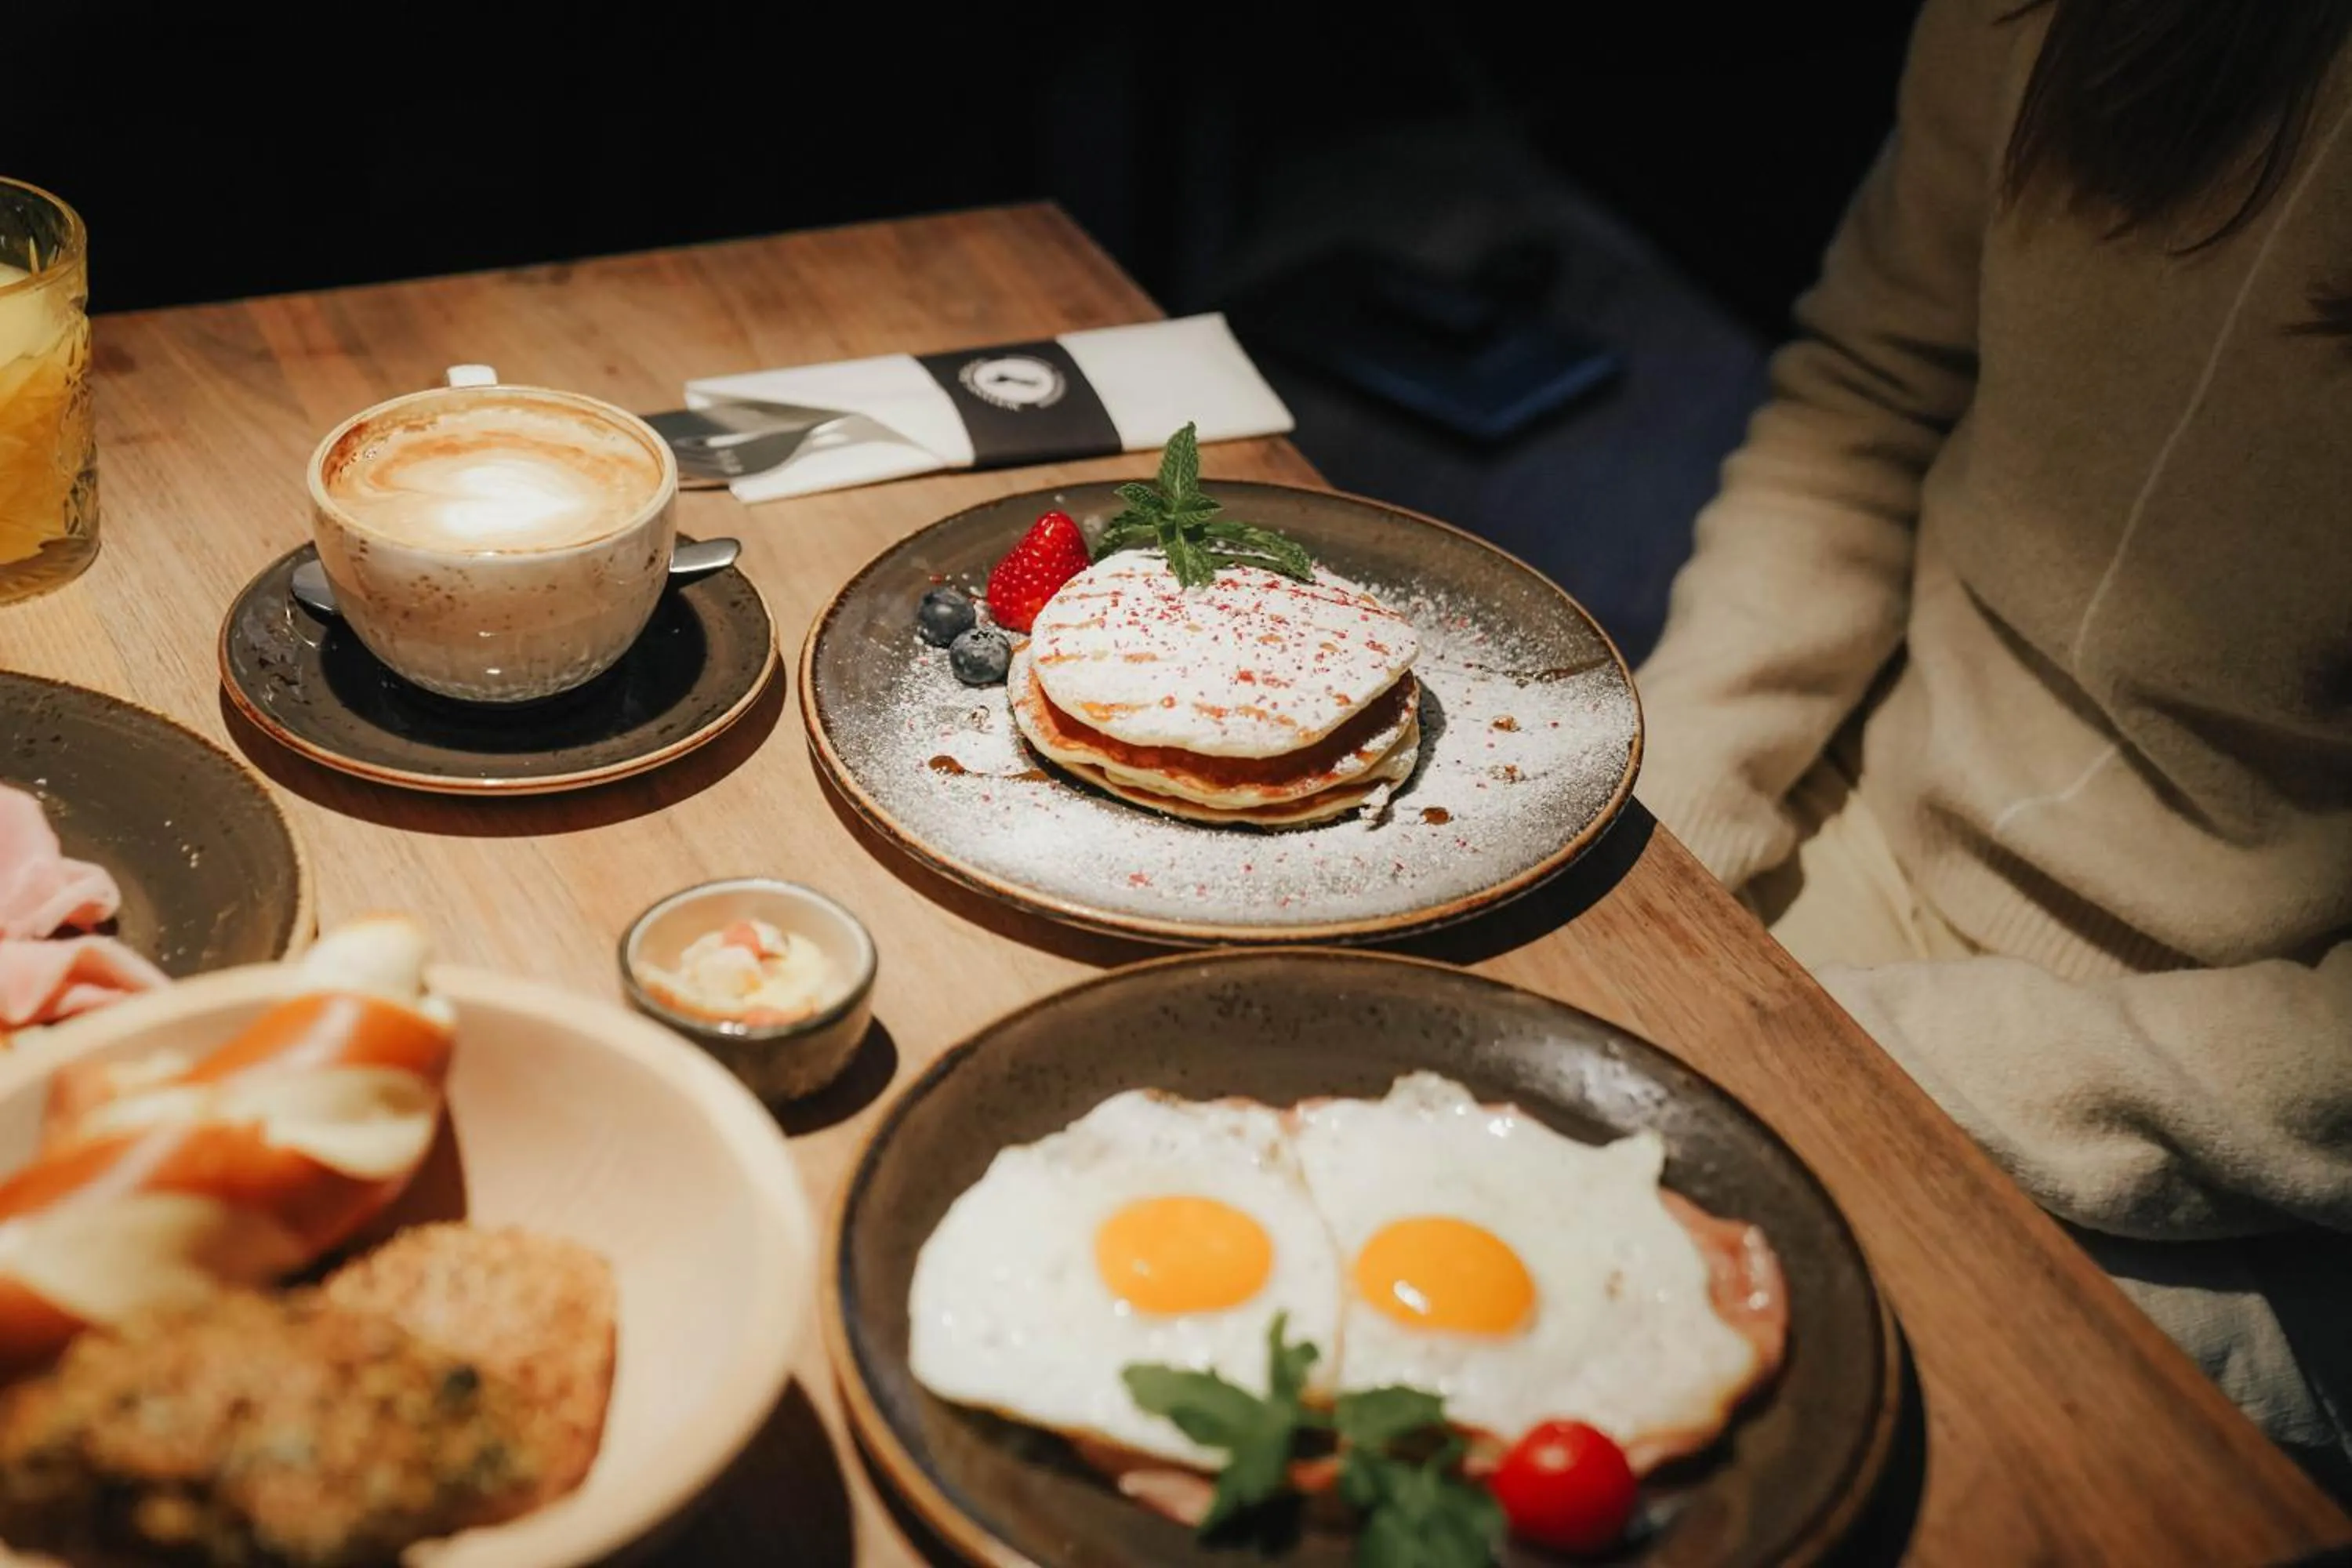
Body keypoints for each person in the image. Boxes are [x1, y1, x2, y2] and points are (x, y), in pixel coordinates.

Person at [1633, 0, 2352, 1490]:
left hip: (2243, 1134)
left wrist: (1870, 1063)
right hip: (1864, 827)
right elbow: (1874, 390)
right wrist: (1670, 802)